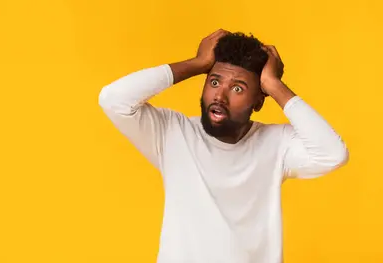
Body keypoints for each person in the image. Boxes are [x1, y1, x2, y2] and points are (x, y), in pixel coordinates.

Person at [98, 29, 349, 263]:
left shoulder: (277, 144)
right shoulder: (171, 133)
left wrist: (274, 85)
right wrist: (197, 64)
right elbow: (113, 99)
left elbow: (333, 154)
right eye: (214, 82)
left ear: (259, 101)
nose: (220, 96)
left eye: (237, 88)